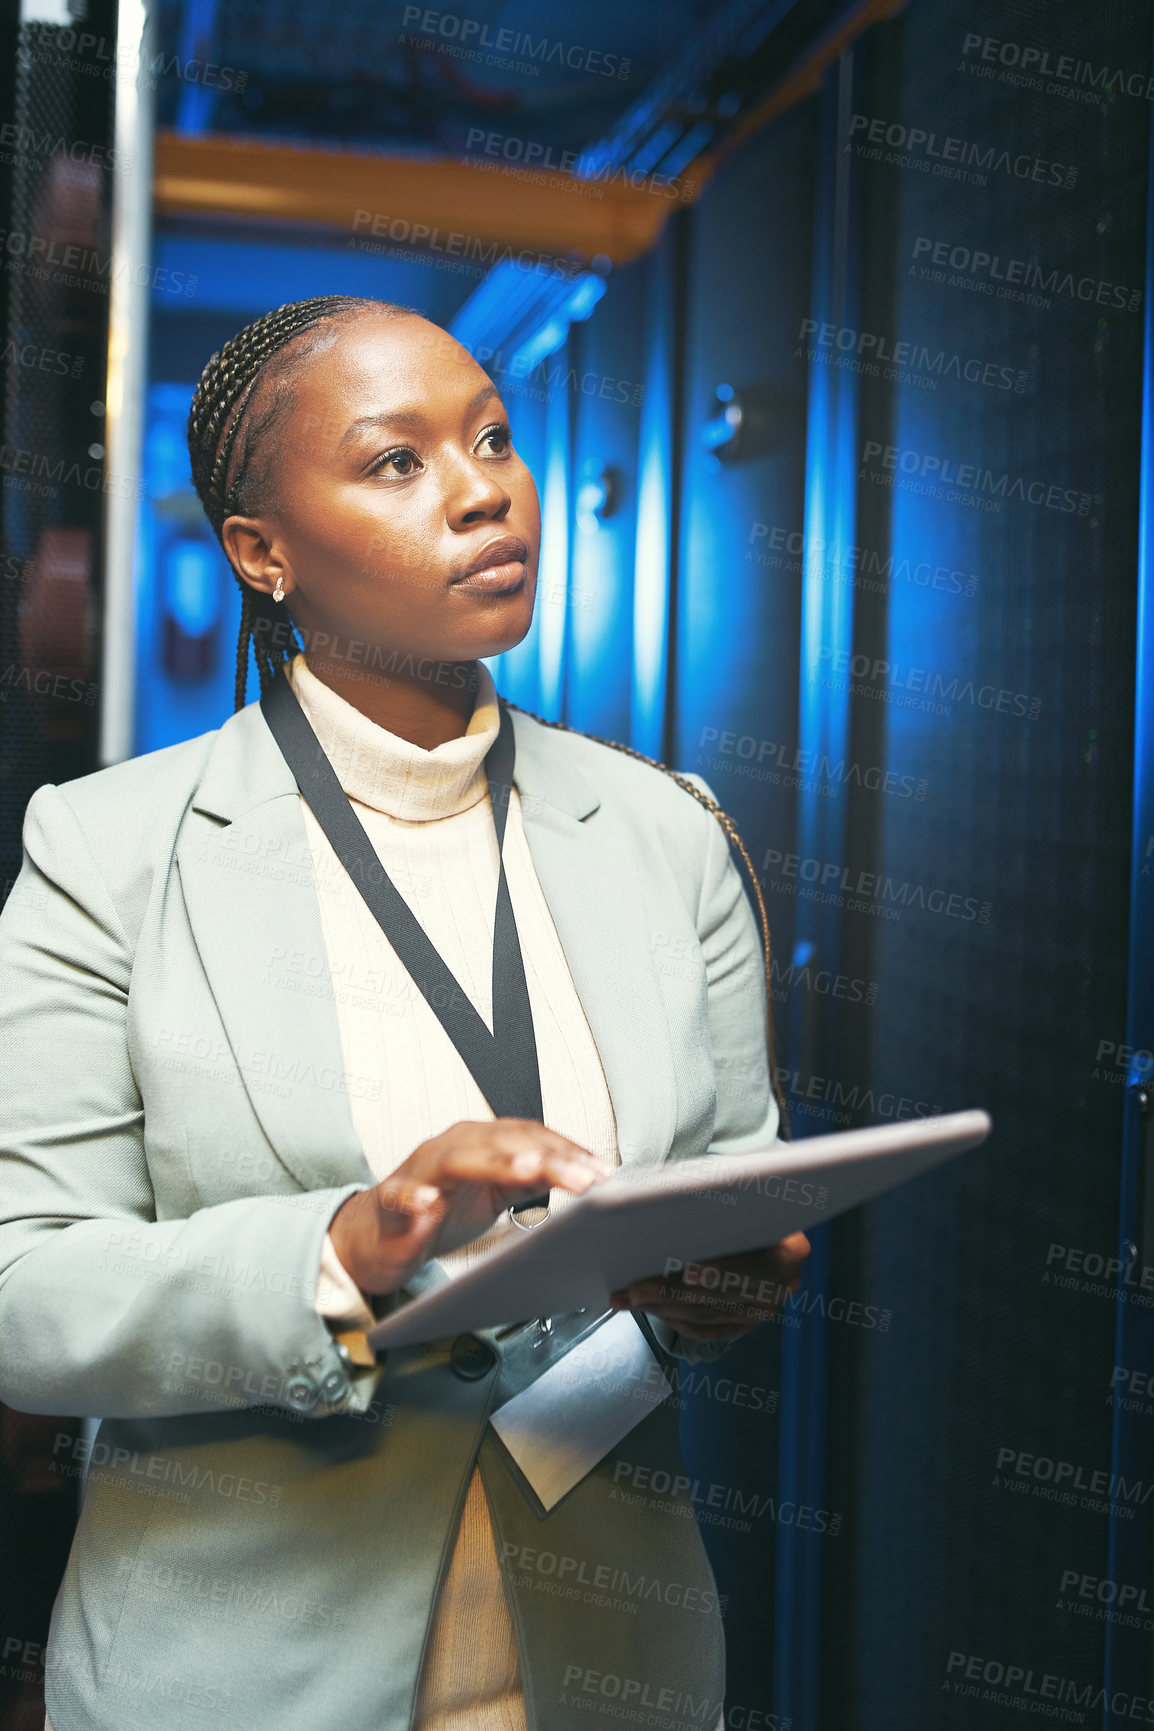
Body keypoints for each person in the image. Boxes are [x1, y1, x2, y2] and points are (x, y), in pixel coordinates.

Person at [0, 294, 811, 1731]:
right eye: (397, 461)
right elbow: (23, 1293)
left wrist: (715, 1294)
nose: (484, 487)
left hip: (608, 1668)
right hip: (237, 1677)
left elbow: (725, 1196)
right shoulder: (110, 851)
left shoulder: (667, 833)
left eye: (493, 439)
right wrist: (338, 1254)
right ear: (260, 553)